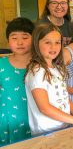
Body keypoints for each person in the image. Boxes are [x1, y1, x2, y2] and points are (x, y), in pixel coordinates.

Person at [25, 23, 73, 136]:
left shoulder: (57, 69)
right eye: (47, 42)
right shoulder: (37, 71)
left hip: (63, 127)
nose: (53, 47)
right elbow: (45, 108)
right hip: (46, 132)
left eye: (57, 42)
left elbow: (65, 98)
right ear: (36, 43)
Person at [0, 18, 34, 146]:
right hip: (7, 121)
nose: (20, 42)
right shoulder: (1, 64)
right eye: (14, 38)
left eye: (25, 37)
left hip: (34, 120)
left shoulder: (41, 65)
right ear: (8, 40)